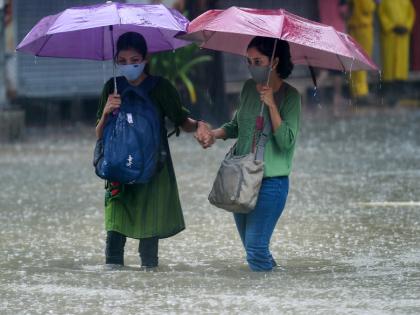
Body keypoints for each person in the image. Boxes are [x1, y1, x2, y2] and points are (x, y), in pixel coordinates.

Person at [96, 32, 209, 269]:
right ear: (116, 60)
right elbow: (99, 135)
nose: (129, 65)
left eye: (134, 59)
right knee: (114, 237)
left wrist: (198, 126)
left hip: (153, 171)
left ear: (145, 58)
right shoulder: (111, 87)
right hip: (118, 171)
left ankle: (149, 294)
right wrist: (107, 111)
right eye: (123, 60)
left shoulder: (162, 88)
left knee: (149, 247)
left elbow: (181, 121)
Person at [196, 37, 301, 272]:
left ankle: (266, 303)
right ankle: (276, 292)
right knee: (253, 250)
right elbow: (236, 126)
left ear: (273, 62)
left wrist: (272, 105)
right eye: (248, 61)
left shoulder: (291, 97)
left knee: (255, 248)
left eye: (258, 61)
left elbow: (286, 142)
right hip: (242, 179)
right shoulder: (247, 88)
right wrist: (213, 134)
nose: (252, 66)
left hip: (271, 183)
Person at [378, 0, 416, 104]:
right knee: (389, 62)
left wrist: (407, 27)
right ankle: (388, 89)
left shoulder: (407, 1)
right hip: (390, 35)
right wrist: (391, 26)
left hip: (402, 35)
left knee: (401, 62)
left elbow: (411, 14)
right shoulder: (385, 1)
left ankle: (400, 88)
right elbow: (382, 14)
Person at [347, 0, 376, 104]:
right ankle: (362, 92)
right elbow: (368, 8)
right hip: (363, 29)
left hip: (353, 28)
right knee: (363, 59)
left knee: (354, 60)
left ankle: (355, 91)